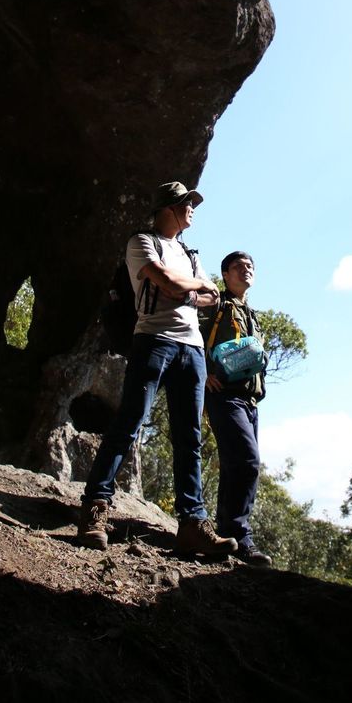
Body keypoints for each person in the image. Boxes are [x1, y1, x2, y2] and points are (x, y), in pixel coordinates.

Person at [78, 181, 238, 558]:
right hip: (154, 341)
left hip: (193, 350)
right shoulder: (141, 243)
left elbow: (211, 297)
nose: (193, 209)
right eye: (187, 203)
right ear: (169, 207)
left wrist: (187, 288)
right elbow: (165, 281)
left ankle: (192, 525)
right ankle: (94, 510)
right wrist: (191, 288)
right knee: (129, 423)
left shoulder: (190, 253)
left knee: (189, 438)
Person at [201, 251, 273, 567]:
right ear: (225, 274)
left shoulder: (251, 314)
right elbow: (189, 334)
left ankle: (225, 536)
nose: (246, 270)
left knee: (236, 466)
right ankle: (240, 536)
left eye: (250, 267)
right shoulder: (215, 304)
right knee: (247, 462)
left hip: (250, 401)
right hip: (224, 396)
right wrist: (203, 374)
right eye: (238, 267)